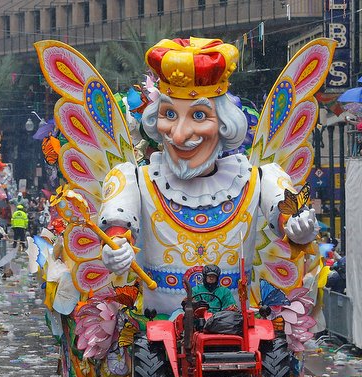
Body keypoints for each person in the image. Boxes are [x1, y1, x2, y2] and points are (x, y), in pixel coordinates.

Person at [99, 37, 319, 314]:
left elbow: (288, 217)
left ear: (225, 124)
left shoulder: (259, 179)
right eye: (169, 113)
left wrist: (300, 228)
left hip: (235, 332)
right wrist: (116, 249)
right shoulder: (135, 180)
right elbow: (117, 230)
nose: (179, 134)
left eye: (199, 116)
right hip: (158, 338)